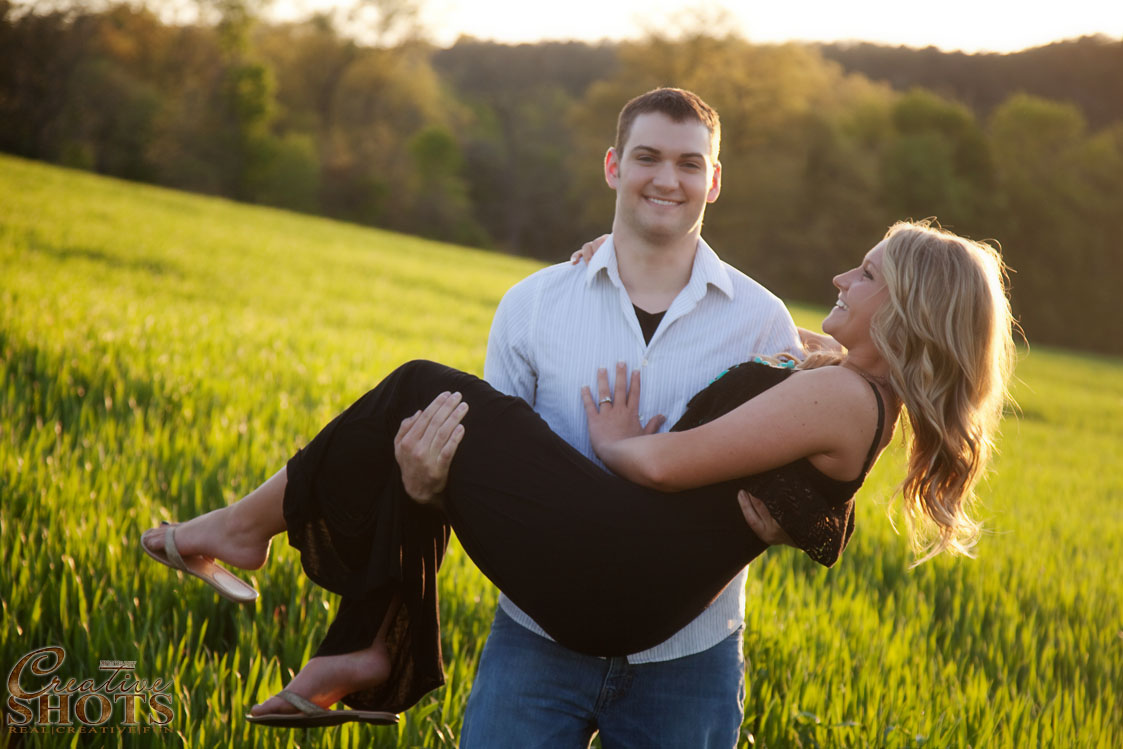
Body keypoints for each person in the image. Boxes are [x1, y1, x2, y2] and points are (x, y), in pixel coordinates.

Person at [139, 219, 1016, 735]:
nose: (839, 275)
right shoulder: (848, 385)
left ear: (903, 307)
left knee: (421, 390)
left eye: (863, 273)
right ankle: (366, 637)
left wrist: (616, 434)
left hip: (622, 565)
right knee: (425, 437)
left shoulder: (838, 398)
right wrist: (636, 251)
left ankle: (248, 533)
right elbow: (793, 369)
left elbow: (662, 465)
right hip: (624, 572)